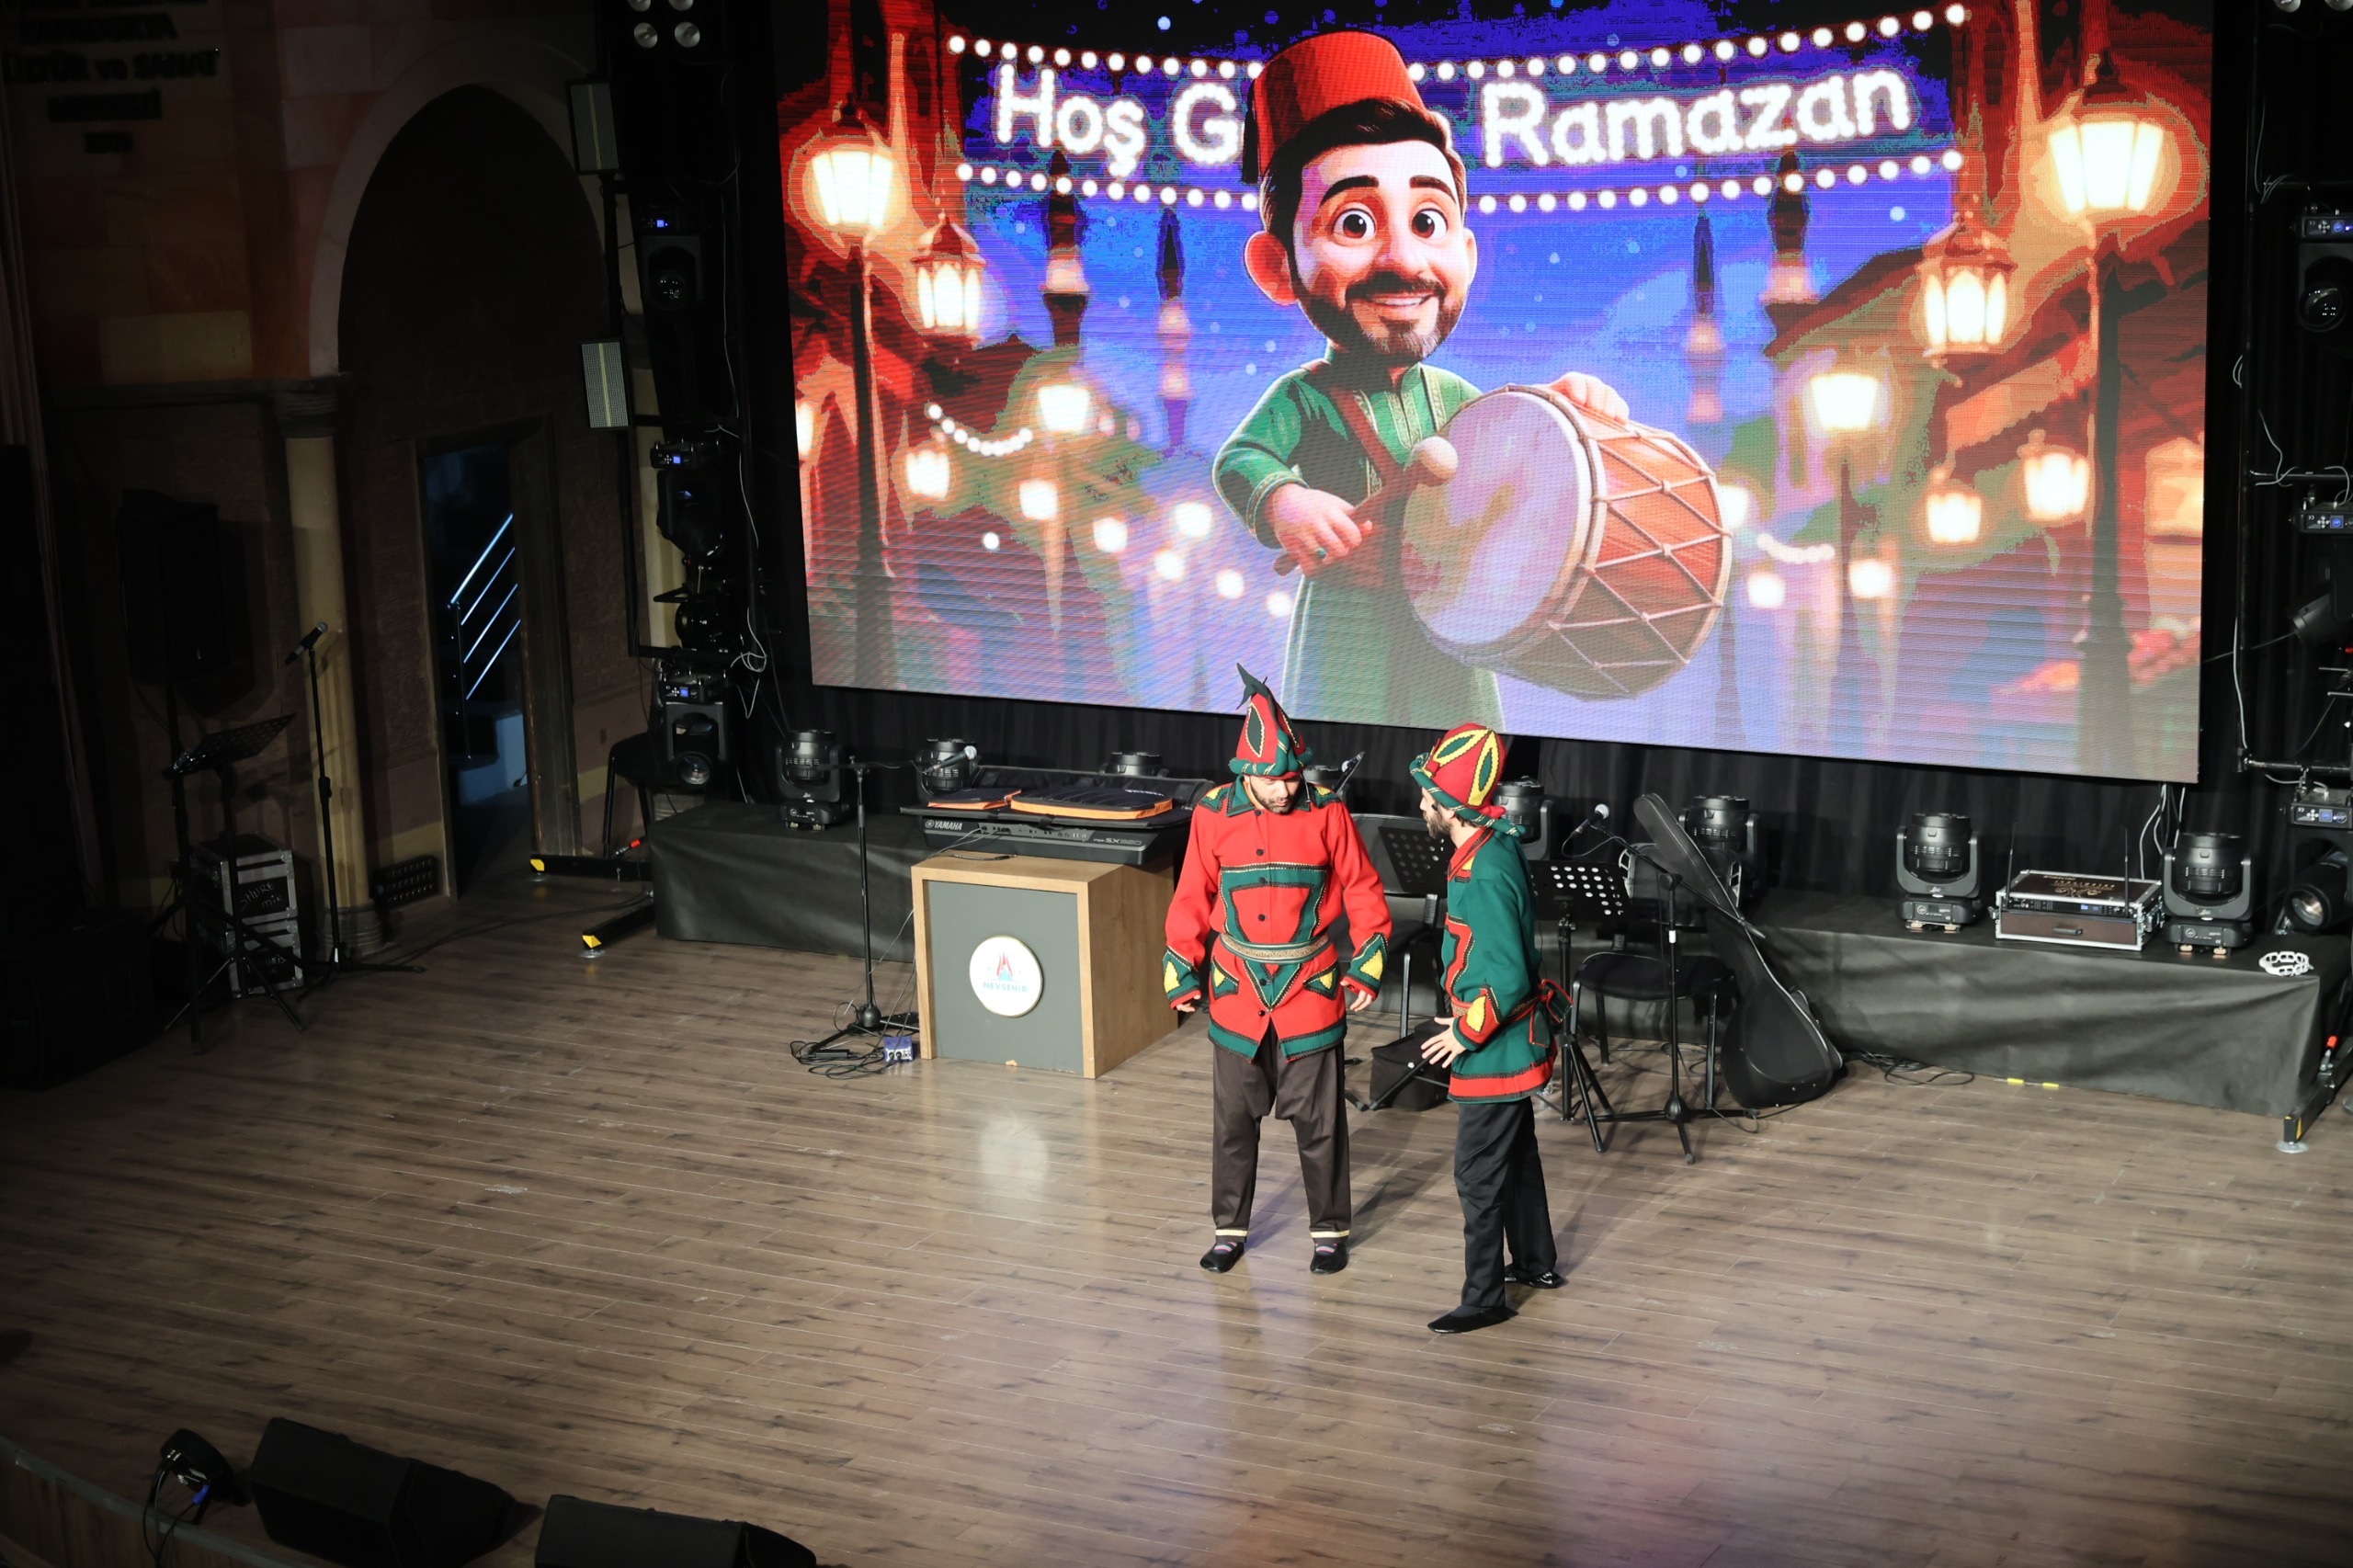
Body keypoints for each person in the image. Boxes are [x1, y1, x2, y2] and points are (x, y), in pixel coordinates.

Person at [1214, 29, 1631, 730]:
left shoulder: (1456, 399)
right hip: (1347, 621)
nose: (1404, 261)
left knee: (1460, 752)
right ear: (1277, 267)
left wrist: (1565, 412)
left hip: (1449, 618)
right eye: (1353, 223)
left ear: (1466, 251)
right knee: (1340, 748)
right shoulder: (1304, 397)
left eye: (1428, 221)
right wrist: (1284, 501)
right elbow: (1241, 459)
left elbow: (1509, 461)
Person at [1165, 666, 1391, 1275]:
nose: (1285, 789)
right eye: (1272, 780)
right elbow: (1191, 894)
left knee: (1321, 1126)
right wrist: (1182, 969)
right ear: (1246, 772)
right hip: (1237, 990)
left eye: (1292, 777)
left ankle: (1330, 1232)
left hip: (1308, 988)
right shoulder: (1213, 813)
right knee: (1233, 1125)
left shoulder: (1328, 812)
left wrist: (1367, 966)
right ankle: (1228, 1231)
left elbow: (1364, 890)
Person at [1409, 722, 1566, 1334]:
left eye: (1428, 795)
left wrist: (1464, 1033)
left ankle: (1484, 1299)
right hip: (1505, 1038)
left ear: (1450, 807)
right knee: (1517, 1157)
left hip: (1495, 1046)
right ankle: (1535, 1262)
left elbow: (1506, 976)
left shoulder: (1485, 870)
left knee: (1477, 1173)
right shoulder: (1489, 847)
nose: (1421, 803)